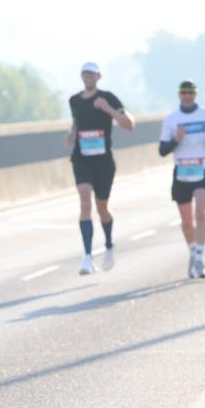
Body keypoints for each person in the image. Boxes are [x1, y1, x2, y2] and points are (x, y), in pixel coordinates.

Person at [65, 62, 135, 274]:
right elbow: (77, 120)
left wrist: (108, 109)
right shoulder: (74, 100)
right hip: (82, 158)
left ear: (99, 77)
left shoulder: (108, 97)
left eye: (92, 74)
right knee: (85, 200)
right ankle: (87, 256)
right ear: (81, 76)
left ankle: (109, 244)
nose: (88, 77)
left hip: (104, 161)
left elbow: (130, 124)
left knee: (102, 207)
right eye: (85, 74)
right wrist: (71, 134)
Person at [158, 81, 205, 279]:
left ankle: (199, 256)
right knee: (187, 221)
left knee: (201, 213)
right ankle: (192, 250)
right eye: (184, 93)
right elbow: (162, 150)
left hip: (203, 168)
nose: (187, 96)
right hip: (182, 172)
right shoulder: (171, 119)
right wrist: (176, 140)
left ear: (195, 95)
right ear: (179, 95)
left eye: (190, 93)